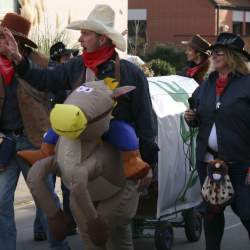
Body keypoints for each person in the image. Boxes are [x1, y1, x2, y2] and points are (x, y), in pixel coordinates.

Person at [1, 4, 158, 249]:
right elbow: (45, 80)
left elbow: (146, 123)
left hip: (117, 165)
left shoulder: (130, 74)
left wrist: (147, 166)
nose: (80, 38)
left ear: (102, 38)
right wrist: (19, 60)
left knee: (118, 235)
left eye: (86, 34)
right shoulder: (75, 67)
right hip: (79, 161)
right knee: (88, 234)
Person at [0, 13, 70, 250]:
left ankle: (59, 247)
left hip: (35, 141)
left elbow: (55, 96)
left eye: (3, 36)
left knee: (46, 200)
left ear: (17, 40)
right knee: (1, 201)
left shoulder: (39, 64)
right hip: (5, 143)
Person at [184, 32, 250, 250]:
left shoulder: (247, 84)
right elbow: (197, 111)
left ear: (233, 56)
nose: (214, 55)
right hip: (209, 162)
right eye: (213, 52)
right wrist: (191, 117)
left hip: (241, 162)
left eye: (220, 51)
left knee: (246, 211)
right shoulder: (207, 84)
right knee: (211, 213)